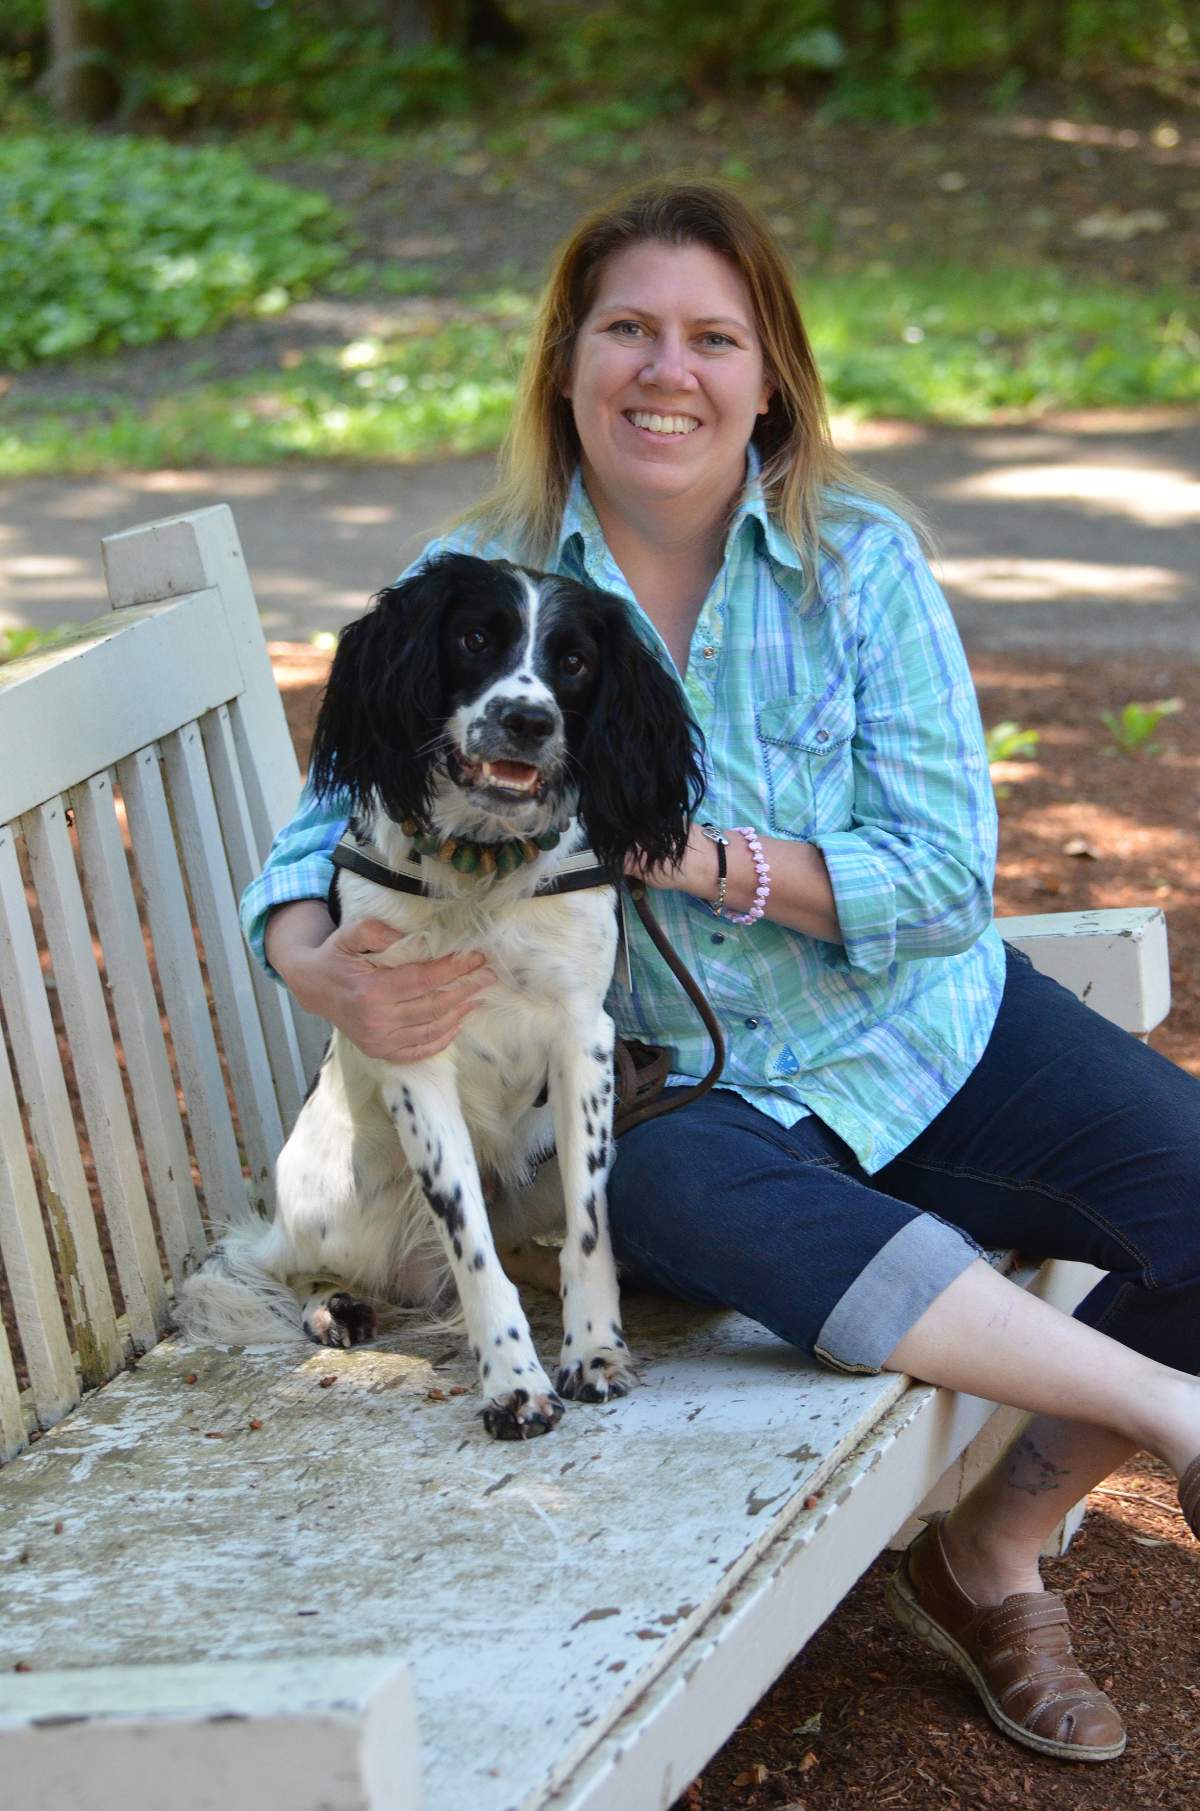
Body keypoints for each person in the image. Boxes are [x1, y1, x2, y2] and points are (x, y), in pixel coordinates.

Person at [242, 180, 1200, 1764]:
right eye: (628, 329)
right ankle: (1173, 1415)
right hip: (683, 1099)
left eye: (712, 338)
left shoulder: (858, 564)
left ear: (771, 380)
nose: (665, 371)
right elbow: (310, 843)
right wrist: (322, 968)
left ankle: (992, 1547)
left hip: (917, 1032)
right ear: (568, 362)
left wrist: (698, 858)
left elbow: (946, 879)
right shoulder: (474, 579)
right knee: (675, 1193)